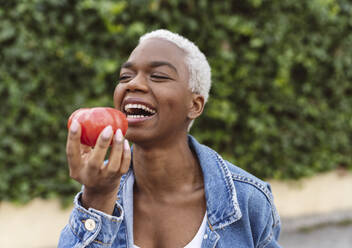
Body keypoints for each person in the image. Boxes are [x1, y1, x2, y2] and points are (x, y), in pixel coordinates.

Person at [58, 29, 281, 248]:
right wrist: (97, 198)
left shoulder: (248, 199)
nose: (133, 84)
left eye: (158, 76)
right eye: (125, 76)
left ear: (194, 105)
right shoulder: (101, 184)